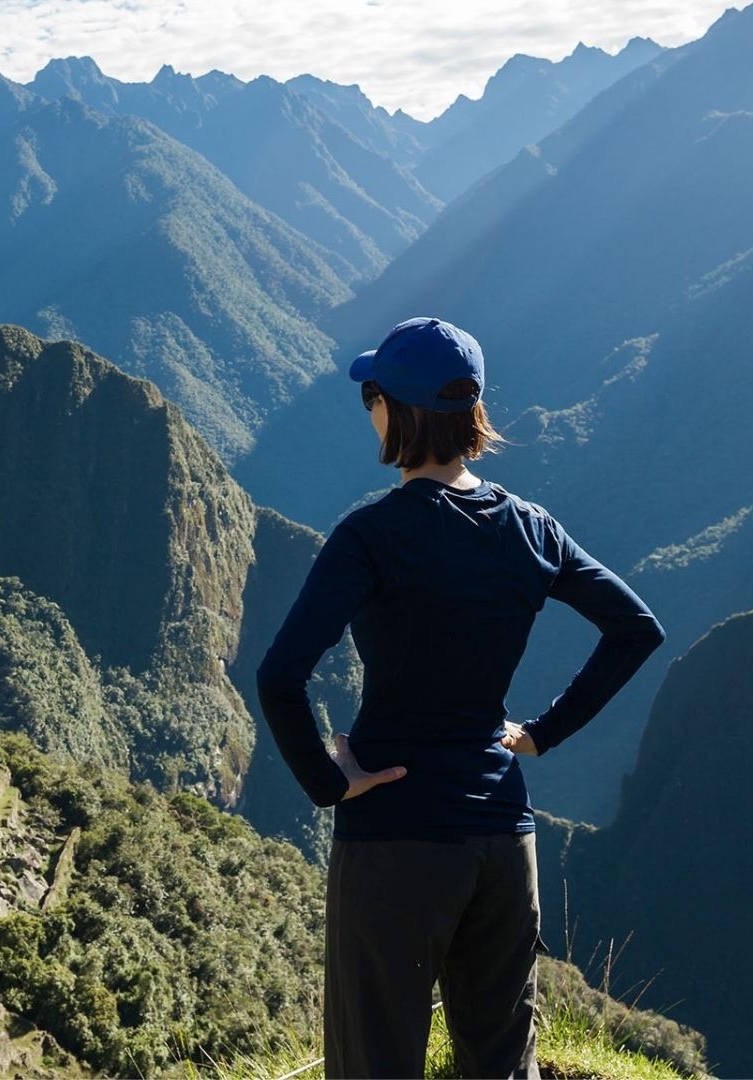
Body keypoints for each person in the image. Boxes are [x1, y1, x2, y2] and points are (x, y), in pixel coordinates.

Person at [254, 317, 665, 1079]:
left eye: (370, 394)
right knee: (505, 1064)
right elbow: (636, 628)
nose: (368, 407)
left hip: (394, 837)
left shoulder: (372, 537)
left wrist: (328, 781)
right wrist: (542, 734)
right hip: (504, 838)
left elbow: (280, 675)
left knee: (375, 1061)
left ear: (394, 410)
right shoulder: (532, 530)